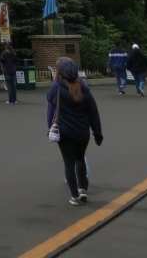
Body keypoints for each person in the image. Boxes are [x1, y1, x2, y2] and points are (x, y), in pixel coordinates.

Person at [46, 57, 102, 206]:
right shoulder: (84, 89)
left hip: (64, 132)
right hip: (82, 132)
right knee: (80, 159)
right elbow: (93, 113)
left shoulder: (56, 88)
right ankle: (83, 188)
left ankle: (74, 196)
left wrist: (49, 127)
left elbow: (50, 108)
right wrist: (97, 133)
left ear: (61, 73)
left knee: (68, 163)